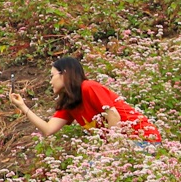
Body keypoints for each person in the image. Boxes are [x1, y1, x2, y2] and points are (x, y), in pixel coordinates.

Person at [11, 56, 163, 142]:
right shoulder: (69, 102)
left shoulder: (89, 87)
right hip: (122, 146)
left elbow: (114, 115)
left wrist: (112, 148)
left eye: (52, 76)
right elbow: (48, 129)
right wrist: (23, 106)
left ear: (64, 74)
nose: (50, 81)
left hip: (143, 140)